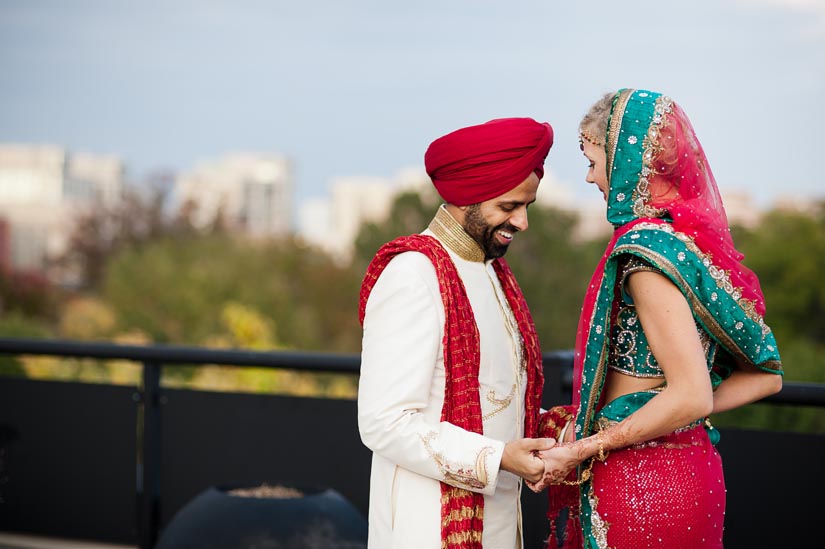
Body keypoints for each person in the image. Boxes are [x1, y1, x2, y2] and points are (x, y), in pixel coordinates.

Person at [531, 89, 784, 548]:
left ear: (627, 160)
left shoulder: (645, 256)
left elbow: (691, 395)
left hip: (643, 482)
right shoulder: (688, 247)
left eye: (593, 162)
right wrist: (660, 412)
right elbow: (764, 378)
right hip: (689, 466)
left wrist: (582, 448)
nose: (590, 178)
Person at [358, 117, 556, 549]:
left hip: (501, 521)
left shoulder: (493, 273)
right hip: (426, 525)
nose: (522, 222)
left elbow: (495, 401)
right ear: (468, 196)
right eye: (508, 207)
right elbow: (383, 422)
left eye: (527, 206)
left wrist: (552, 431)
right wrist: (499, 457)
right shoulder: (414, 273)